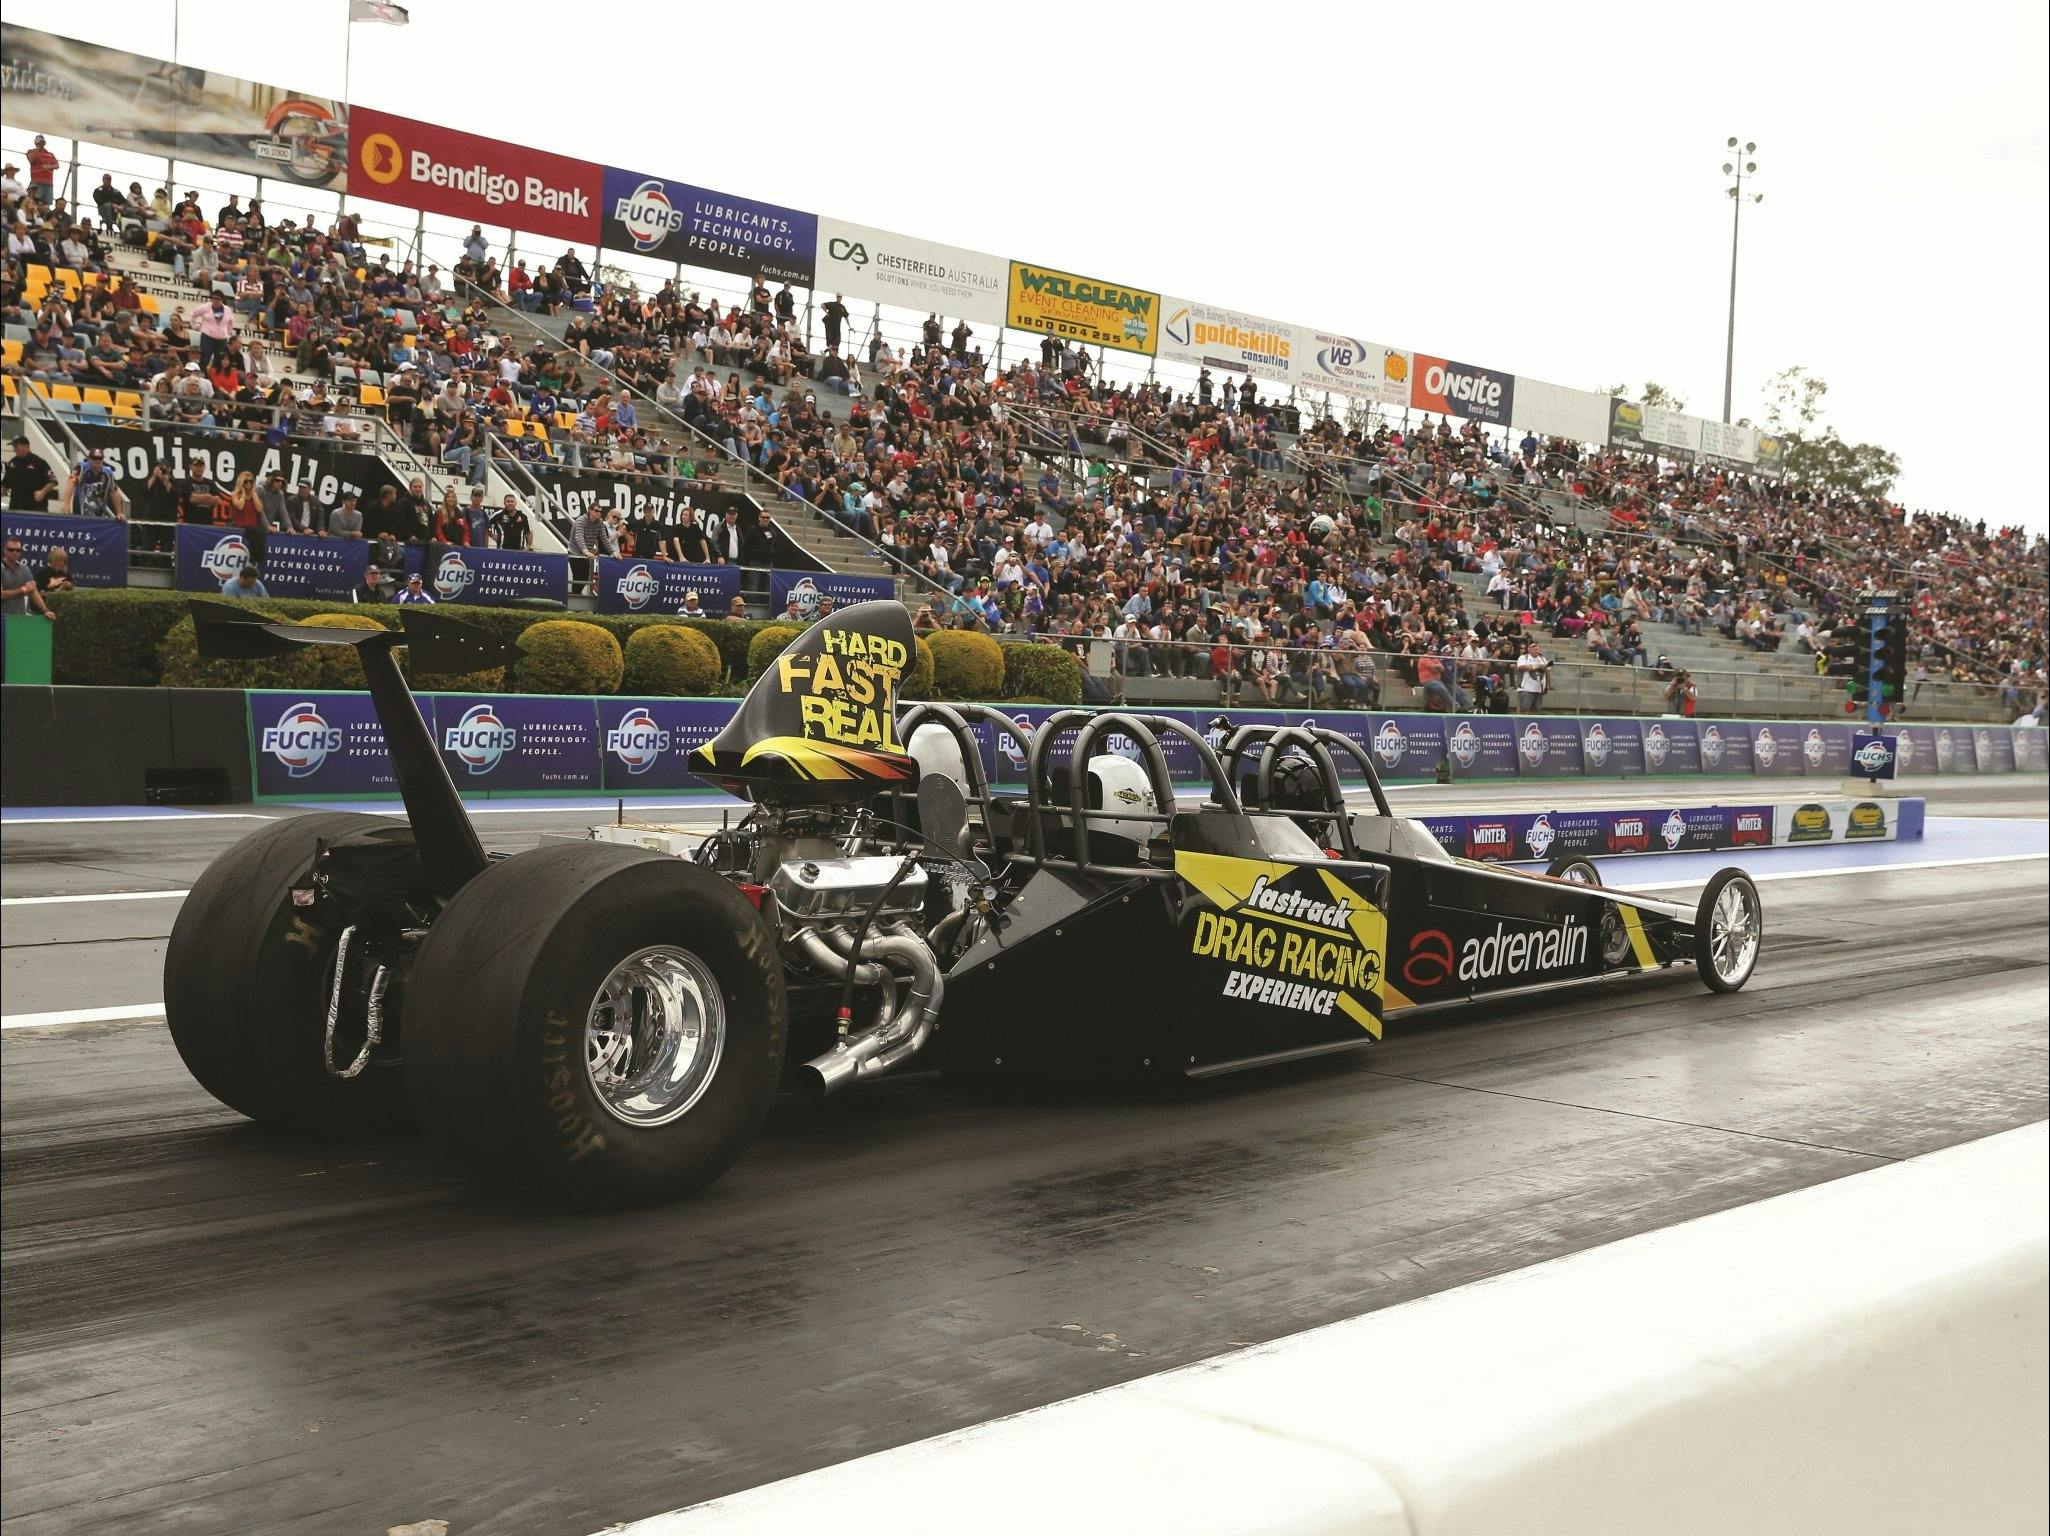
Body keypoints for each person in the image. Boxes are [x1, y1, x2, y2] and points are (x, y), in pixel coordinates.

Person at [2, 537, 56, 620]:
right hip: (2, 618)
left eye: (18, 550)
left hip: (19, 618)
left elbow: (33, 590)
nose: (15, 552)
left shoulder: (24, 569)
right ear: (5, 550)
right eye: (11, 550)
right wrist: (23, 589)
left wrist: (45, 611)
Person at [4, 438, 59, 511]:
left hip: (36, 508)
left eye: (17, 446)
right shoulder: (12, 463)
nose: (15, 449)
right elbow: (5, 484)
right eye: (14, 447)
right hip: (15, 507)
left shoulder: (39, 462)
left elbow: (52, 481)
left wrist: (42, 492)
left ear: (26, 446)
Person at [1515, 639, 1550, 714]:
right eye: (1534, 649)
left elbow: (1548, 670)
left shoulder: (1542, 658)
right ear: (1529, 649)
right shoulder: (1523, 657)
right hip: (1525, 688)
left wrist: (1547, 684)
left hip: (1538, 688)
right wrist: (1536, 667)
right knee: (1524, 710)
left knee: (1537, 710)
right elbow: (1521, 667)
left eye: (1537, 649)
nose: (1536, 651)